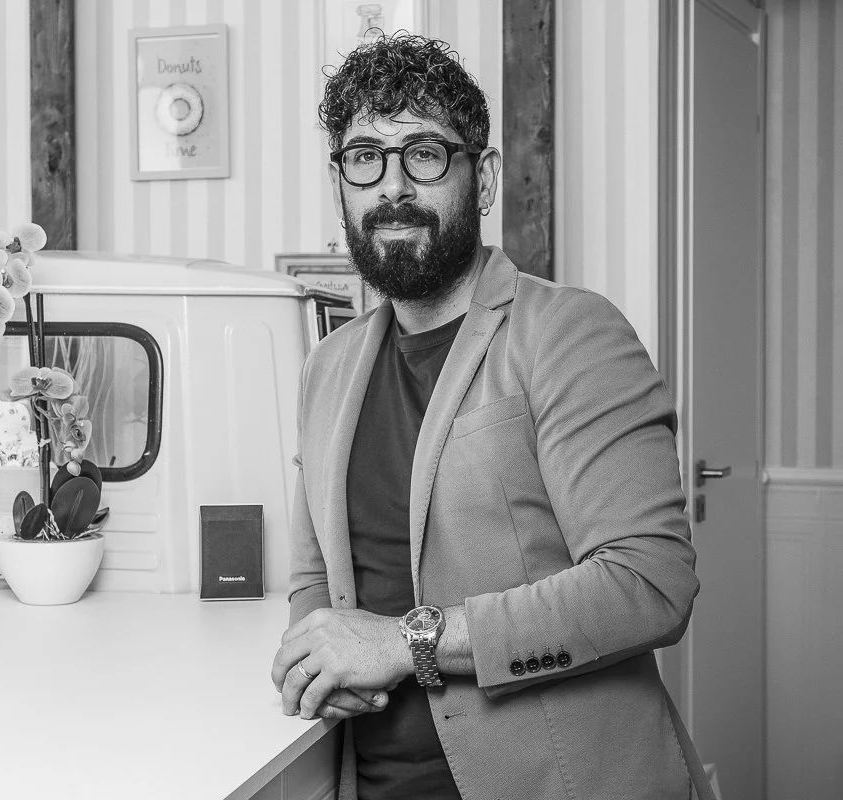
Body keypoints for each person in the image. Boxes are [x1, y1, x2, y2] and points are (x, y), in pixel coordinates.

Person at [271, 33, 714, 800]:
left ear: (484, 180)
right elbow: (317, 576)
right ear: (342, 182)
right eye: (365, 157)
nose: (393, 187)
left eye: (425, 153)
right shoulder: (325, 367)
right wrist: (314, 654)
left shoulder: (569, 332)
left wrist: (407, 643)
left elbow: (650, 581)